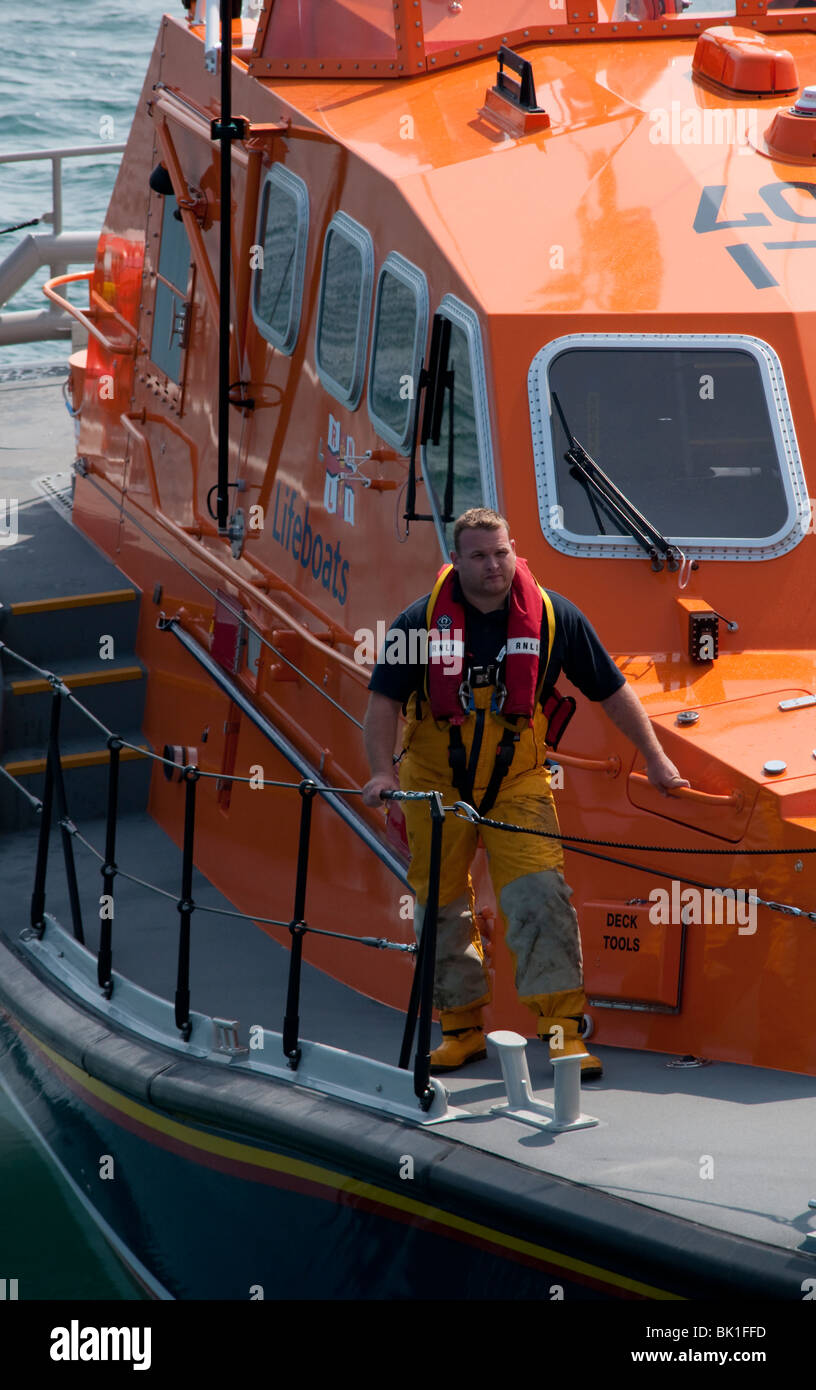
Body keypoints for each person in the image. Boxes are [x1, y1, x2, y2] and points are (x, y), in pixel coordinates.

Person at [361, 508, 688, 1078]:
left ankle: (563, 1034)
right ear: (457, 560)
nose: (494, 566)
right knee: (439, 907)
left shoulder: (557, 619)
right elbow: (383, 702)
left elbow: (612, 691)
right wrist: (382, 775)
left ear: (514, 551)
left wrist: (657, 761)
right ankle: (461, 1031)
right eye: (480, 556)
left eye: (501, 553)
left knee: (541, 897)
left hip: (518, 782)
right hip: (434, 784)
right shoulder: (417, 623)